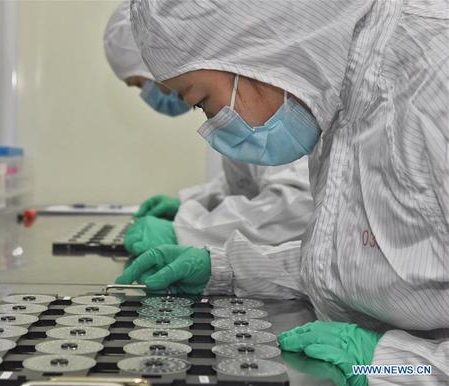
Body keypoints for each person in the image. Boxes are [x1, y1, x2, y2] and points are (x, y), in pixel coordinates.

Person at [119, 1, 449, 385]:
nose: (213, 125)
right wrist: (227, 270)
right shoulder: (338, 98)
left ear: (254, 50)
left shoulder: (433, 74)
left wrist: (400, 364)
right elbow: (369, 261)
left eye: (201, 102)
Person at [103, 1, 313, 263]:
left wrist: (185, 230)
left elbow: (294, 204)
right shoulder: (245, 107)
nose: (161, 94)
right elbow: (244, 183)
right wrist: (190, 203)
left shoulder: (277, 116)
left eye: (197, 101)